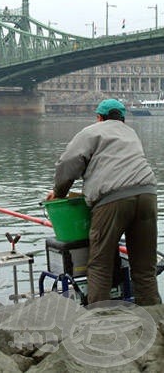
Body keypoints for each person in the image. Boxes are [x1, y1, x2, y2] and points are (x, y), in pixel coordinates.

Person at [45, 98, 161, 305]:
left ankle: (101, 321)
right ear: (123, 119)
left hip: (112, 200)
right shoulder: (131, 133)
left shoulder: (91, 132)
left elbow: (69, 162)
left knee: (100, 264)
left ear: (99, 117)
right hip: (147, 195)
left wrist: (59, 192)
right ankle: (156, 322)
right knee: (144, 268)